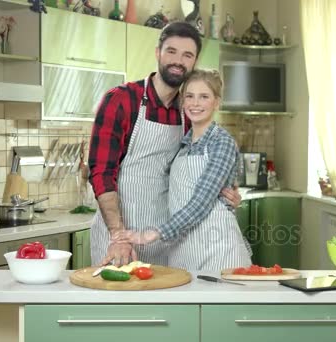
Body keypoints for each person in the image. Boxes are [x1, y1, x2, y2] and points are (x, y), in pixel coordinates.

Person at [88, 22, 240, 267]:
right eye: (171, 51)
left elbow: (203, 172)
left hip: (165, 236)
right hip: (119, 235)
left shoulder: (188, 113)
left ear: (194, 61)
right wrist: (119, 235)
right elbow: (101, 173)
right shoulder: (122, 100)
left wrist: (228, 193)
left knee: (163, 303)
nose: (178, 61)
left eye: (187, 55)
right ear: (158, 52)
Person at [112, 69, 252, 271]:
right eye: (190, 96)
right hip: (183, 250)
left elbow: (201, 202)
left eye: (204, 97)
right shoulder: (182, 145)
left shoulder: (222, 142)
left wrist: (152, 234)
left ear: (216, 102)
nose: (195, 103)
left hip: (219, 249)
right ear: (182, 102)